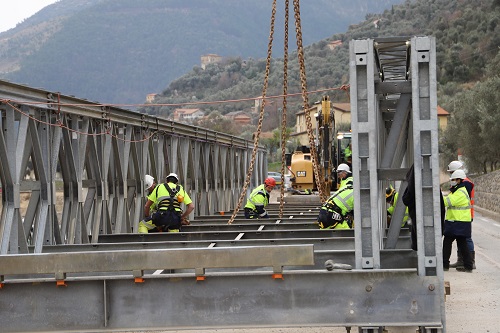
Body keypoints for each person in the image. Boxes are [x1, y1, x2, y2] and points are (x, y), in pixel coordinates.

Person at [442, 169, 473, 272]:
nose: (452, 181)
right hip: (457, 222)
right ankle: (468, 266)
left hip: (458, 222)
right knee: (459, 243)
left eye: (454, 179)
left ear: (459, 180)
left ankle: (445, 265)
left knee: (451, 242)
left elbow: (447, 202)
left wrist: (437, 197)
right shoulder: (456, 190)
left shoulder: (460, 192)